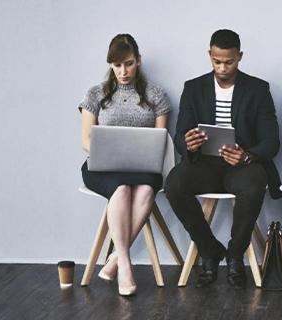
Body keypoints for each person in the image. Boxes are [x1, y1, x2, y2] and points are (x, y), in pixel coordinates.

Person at [164, 29, 282, 290]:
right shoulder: (193, 88)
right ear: (210, 55)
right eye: (217, 61)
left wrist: (247, 155)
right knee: (174, 184)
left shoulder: (258, 89)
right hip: (204, 164)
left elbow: (271, 141)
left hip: (241, 166)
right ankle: (209, 250)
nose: (223, 67)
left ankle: (235, 254)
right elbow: (180, 134)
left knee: (253, 186)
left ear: (239, 57)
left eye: (229, 61)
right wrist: (188, 143)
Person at [78, 34, 171, 296]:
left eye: (128, 63)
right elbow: (86, 140)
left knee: (143, 190)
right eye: (117, 65)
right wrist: (107, 150)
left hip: (144, 167)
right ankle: (125, 265)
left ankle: (115, 260)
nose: (123, 71)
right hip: (103, 167)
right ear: (110, 65)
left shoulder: (155, 95)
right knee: (120, 190)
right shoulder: (96, 93)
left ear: (138, 61)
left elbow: (160, 140)